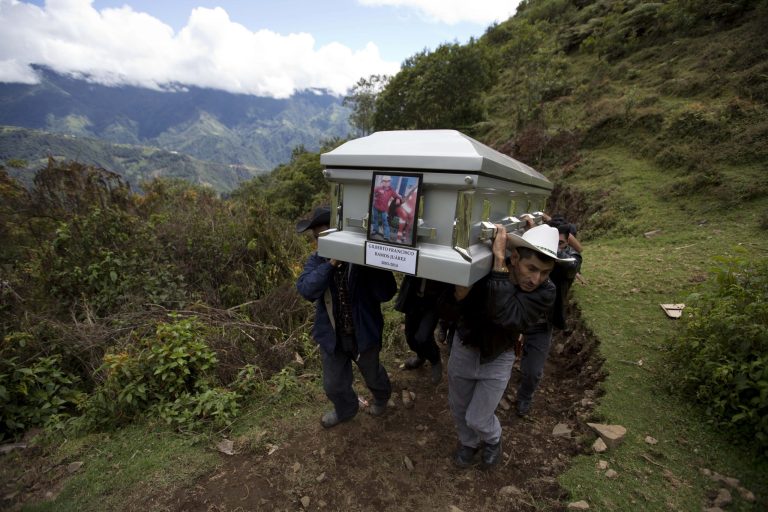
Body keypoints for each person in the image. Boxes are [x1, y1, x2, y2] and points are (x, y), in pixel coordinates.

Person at [444, 223, 573, 469]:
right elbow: (454, 306)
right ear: (516, 257)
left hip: (499, 356)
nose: (536, 279)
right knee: (459, 407)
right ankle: (468, 443)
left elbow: (508, 317)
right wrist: (460, 295)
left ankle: (493, 439)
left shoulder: (546, 292)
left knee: (478, 416)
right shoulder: (481, 272)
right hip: (466, 346)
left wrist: (499, 266)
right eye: (531, 268)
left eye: (545, 272)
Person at [296, 206, 397, 428]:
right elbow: (306, 289)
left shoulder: (363, 260)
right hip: (333, 336)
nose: (320, 244)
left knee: (372, 374)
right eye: (317, 239)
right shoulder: (317, 261)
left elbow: (386, 293)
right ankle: (346, 409)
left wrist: (371, 260)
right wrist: (331, 264)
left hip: (364, 334)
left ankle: (382, 397)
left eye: (326, 237)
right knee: (333, 385)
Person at [515, 221, 583, 417]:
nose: (537, 278)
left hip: (542, 325)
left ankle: (525, 397)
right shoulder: (524, 259)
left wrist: (548, 248)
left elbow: (571, 268)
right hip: (517, 319)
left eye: (560, 243)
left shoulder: (570, 260)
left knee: (534, 372)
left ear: (568, 242)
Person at [394, 276, 452, 385]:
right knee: (410, 337)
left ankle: (435, 360)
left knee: (423, 337)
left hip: (434, 301)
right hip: (413, 297)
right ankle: (421, 356)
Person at [371, 176, 401, 242]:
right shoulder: (378, 188)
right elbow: (372, 192)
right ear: (382, 182)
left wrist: (398, 199)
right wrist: (374, 198)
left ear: (390, 182)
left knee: (385, 222)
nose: (386, 183)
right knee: (375, 219)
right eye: (384, 181)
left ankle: (386, 236)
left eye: (388, 181)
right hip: (375, 207)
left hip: (384, 209)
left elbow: (396, 196)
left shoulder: (391, 190)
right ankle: (375, 230)